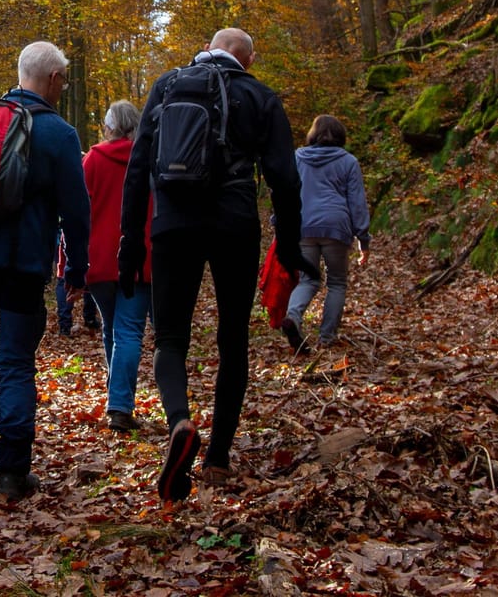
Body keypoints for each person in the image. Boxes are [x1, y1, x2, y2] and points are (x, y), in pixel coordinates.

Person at [121, 28, 302, 503]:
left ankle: (180, 420)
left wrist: (129, 242)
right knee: (232, 339)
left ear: (206, 46)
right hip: (234, 225)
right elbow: (285, 177)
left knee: (170, 337)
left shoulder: (167, 85)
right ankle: (218, 455)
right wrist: (287, 242)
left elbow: (138, 168)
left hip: (172, 224)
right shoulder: (260, 94)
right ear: (249, 57)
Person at [0, 41, 92, 501]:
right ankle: (11, 471)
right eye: (63, 79)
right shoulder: (60, 134)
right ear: (51, 79)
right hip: (24, 262)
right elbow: (77, 211)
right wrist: (77, 270)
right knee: (15, 361)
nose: (63, 87)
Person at [84, 99, 150, 432]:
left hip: (99, 258)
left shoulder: (93, 160)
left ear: (110, 126)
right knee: (128, 332)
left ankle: (117, 399)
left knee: (113, 328)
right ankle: (120, 403)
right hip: (138, 258)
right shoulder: (148, 158)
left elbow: (79, 212)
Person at [283, 115, 370, 352]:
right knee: (337, 283)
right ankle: (326, 337)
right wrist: (363, 238)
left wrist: (280, 222)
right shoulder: (348, 162)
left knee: (308, 279)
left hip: (303, 226)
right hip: (336, 227)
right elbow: (357, 202)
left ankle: (293, 317)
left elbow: (286, 191)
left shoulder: (298, 157)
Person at [55, 240, 100, 337]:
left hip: (61, 237)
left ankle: (65, 325)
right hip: (87, 237)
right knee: (89, 273)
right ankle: (90, 318)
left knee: (64, 277)